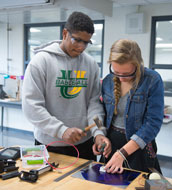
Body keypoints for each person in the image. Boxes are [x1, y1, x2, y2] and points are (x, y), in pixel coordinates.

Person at [22, 11, 111, 161]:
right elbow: (31, 107)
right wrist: (61, 131)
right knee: (47, 185)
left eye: (86, 42)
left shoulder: (91, 64)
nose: (81, 47)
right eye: (77, 40)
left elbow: (94, 104)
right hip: (49, 144)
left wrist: (99, 132)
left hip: (84, 145)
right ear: (65, 33)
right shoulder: (41, 62)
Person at [100, 39, 164, 174]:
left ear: (137, 65)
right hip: (112, 146)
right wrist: (99, 135)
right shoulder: (107, 81)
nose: (121, 78)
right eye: (116, 72)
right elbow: (99, 113)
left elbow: (153, 123)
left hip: (139, 148)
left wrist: (122, 154)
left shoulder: (152, 80)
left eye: (127, 74)